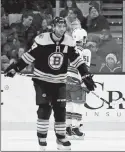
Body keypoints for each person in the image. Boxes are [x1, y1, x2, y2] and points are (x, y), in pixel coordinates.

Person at [4, 17, 96, 151]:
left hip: (59, 81)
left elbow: (76, 59)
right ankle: (42, 136)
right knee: (45, 108)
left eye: (64, 26)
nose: (62, 29)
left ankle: (60, 136)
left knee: (60, 110)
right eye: (59, 26)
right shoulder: (42, 39)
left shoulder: (68, 41)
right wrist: (16, 68)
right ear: (53, 27)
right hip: (42, 80)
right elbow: (29, 56)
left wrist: (85, 74)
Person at [66, 28, 91, 140]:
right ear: (84, 38)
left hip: (65, 80)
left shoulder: (67, 49)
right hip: (76, 80)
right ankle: (75, 128)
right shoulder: (85, 51)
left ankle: (67, 129)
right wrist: (85, 82)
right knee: (78, 105)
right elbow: (84, 68)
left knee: (69, 105)